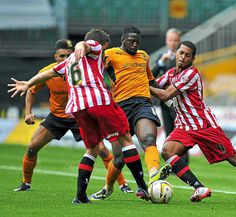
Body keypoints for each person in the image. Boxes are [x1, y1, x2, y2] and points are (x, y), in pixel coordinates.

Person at [8, 28, 149, 203]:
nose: (103, 52)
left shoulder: (69, 61)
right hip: (98, 101)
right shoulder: (94, 46)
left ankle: (80, 196)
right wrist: (81, 45)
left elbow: (50, 72)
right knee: (126, 140)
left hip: (78, 108)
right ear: (100, 44)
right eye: (104, 48)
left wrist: (28, 83)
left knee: (92, 150)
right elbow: (86, 45)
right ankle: (142, 186)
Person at [149, 41, 236, 204]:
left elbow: (165, 94)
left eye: (187, 55)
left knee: (234, 158)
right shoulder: (172, 73)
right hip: (185, 125)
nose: (183, 57)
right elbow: (155, 85)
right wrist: (142, 76)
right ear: (176, 53)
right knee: (167, 151)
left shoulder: (191, 74)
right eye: (181, 53)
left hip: (204, 126)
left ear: (193, 59)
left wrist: (141, 85)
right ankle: (199, 188)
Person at [89, 25, 171, 201]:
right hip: (119, 108)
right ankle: (108, 188)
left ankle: (154, 176)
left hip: (142, 103)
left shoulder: (144, 56)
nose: (135, 45)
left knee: (149, 140)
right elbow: (95, 70)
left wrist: (167, 98)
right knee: (119, 159)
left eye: (137, 42)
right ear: (123, 40)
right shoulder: (110, 54)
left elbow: (151, 81)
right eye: (131, 41)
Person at [151, 28, 189, 163]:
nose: (173, 43)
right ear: (166, 41)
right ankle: (172, 162)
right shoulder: (163, 56)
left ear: (180, 41)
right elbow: (152, 75)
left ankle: (183, 162)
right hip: (164, 102)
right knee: (169, 131)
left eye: (175, 40)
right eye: (170, 40)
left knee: (181, 132)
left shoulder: (184, 58)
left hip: (179, 101)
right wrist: (161, 62)